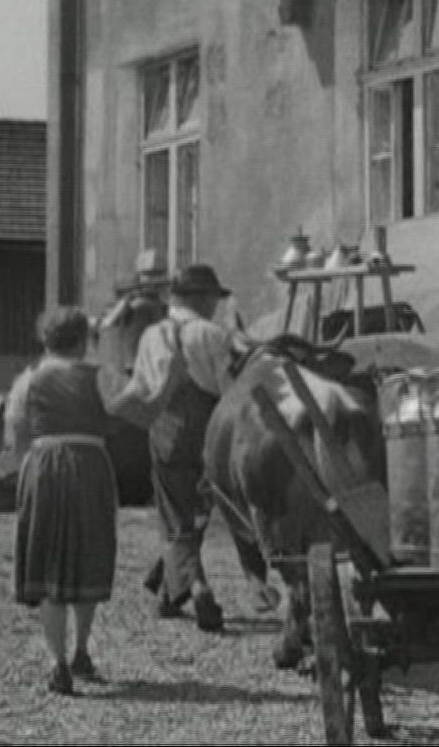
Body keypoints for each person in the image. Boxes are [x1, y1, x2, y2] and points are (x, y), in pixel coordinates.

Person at [122, 263, 276, 632]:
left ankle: (189, 586)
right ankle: (249, 580)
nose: (215, 305)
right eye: (213, 299)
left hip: (166, 431)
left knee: (178, 516)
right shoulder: (212, 334)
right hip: (211, 430)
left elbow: (141, 389)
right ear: (202, 299)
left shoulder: (150, 336)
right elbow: (230, 392)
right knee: (226, 503)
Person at [4, 306, 119, 695]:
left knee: (49, 557)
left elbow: (16, 432)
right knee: (87, 553)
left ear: (45, 340)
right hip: (89, 463)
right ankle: (82, 649)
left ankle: (58, 662)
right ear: (82, 340)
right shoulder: (100, 376)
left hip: (44, 464)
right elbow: (122, 408)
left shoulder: (28, 380)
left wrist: (28, 469)